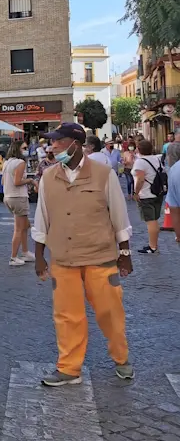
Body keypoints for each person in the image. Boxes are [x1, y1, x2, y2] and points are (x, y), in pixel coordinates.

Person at [31, 122, 134, 386]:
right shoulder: (48, 177)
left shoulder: (103, 174)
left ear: (75, 143)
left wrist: (125, 252)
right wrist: (39, 255)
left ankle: (121, 359)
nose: (52, 146)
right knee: (67, 316)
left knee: (110, 312)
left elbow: (118, 215)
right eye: (52, 142)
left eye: (58, 141)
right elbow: (42, 217)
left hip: (100, 256)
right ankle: (69, 368)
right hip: (64, 258)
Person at [2, 140, 34, 266]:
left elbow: (3, 182)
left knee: (25, 225)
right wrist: (30, 180)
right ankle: (13, 257)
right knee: (19, 229)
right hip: (18, 197)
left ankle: (25, 252)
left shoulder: (7, 163)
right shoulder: (20, 163)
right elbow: (17, 181)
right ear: (18, 149)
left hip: (8, 197)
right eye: (24, 148)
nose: (26, 150)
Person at [132, 139, 164, 254]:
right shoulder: (156, 159)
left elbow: (140, 179)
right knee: (155, 220)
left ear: (139, 149)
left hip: (146, 194)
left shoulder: (140, 162)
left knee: (150, 221)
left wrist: (136, 193)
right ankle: (154, 244)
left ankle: (152, 247)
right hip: (157, 193)